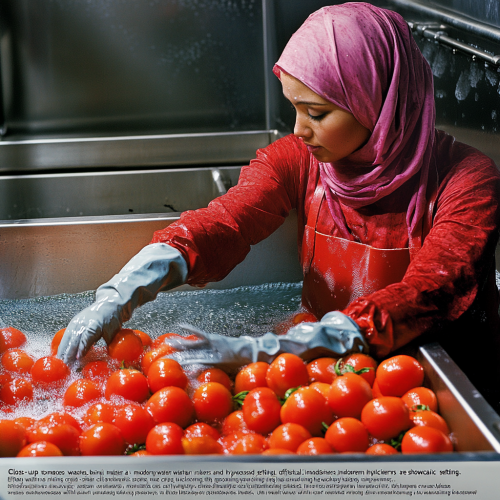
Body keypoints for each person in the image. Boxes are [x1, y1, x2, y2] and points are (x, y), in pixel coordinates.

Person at [58, 3, 500, 407]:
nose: (299, 130)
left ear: (378, 101)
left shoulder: (467, 182)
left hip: (445, 387)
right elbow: (224, 223)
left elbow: (431, 292)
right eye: (294, 108)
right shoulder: (298, 160)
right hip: (332, 376)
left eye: (317, 113)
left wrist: (265, 350)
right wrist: (122, 293)